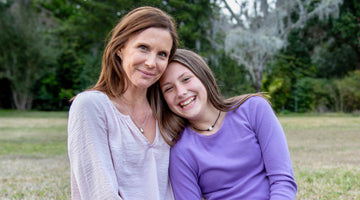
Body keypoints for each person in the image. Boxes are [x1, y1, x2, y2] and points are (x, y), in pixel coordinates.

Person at [155, 49, 297, 200]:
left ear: (203, 76)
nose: (181, 92)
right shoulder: (181, 150)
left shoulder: (253, 109)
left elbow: (283, 180)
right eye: (169, 88)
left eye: (186, 79)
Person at [67, 6, 178, 200]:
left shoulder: (168, 114)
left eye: (162, 54)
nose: (152, 63)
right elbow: (99, 193)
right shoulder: (92, 106)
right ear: (120, 48)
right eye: (143, 48)